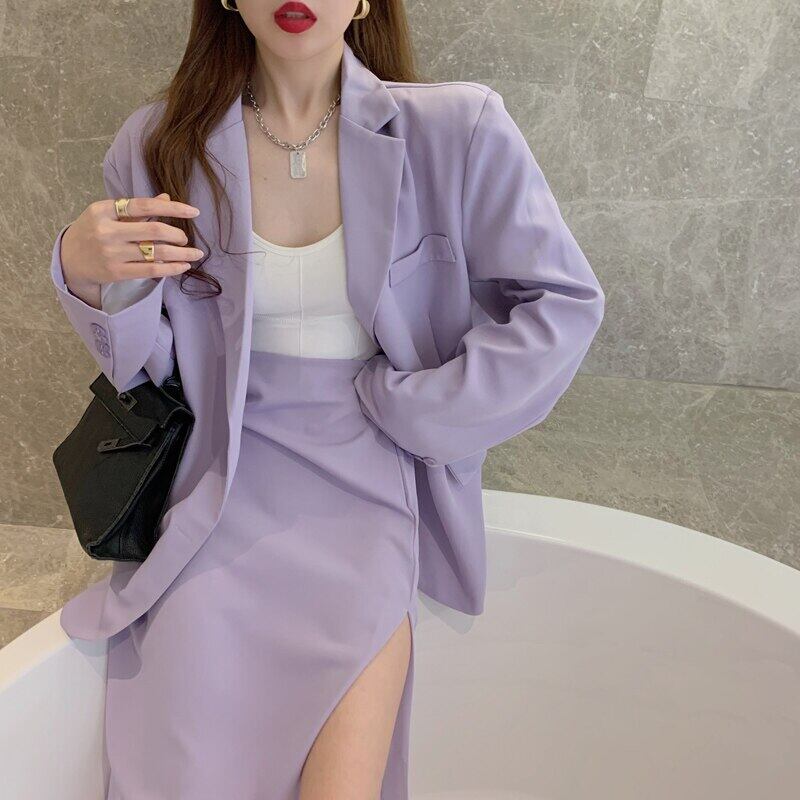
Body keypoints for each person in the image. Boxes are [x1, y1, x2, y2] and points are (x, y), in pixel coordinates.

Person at [51, 1, 605, 798]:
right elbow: (149, 368)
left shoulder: (456, 129)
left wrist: (422, 410)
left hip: (369, 491)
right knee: (181, 769)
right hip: (218, 493)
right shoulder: (158, 144)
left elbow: (564, 305)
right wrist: (82, 272)